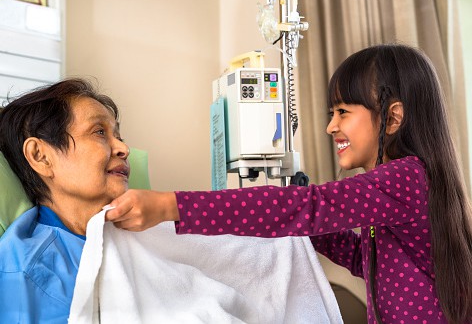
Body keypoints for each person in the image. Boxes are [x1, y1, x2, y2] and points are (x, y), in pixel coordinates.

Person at [106, 43, 472, 324]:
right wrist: (298, 219)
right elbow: (369, 261)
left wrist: (170, 205)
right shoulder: (404, 187)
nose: (331, 126)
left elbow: (309, 207)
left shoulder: (406, 177)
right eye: (332, 114)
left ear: (392, 118)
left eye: (343, 112)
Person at [0, 79, 130, 323]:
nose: (123, 148)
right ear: (41, 157)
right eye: (100, 132)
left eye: (119, 136)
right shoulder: (25, 276)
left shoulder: (141, 228)